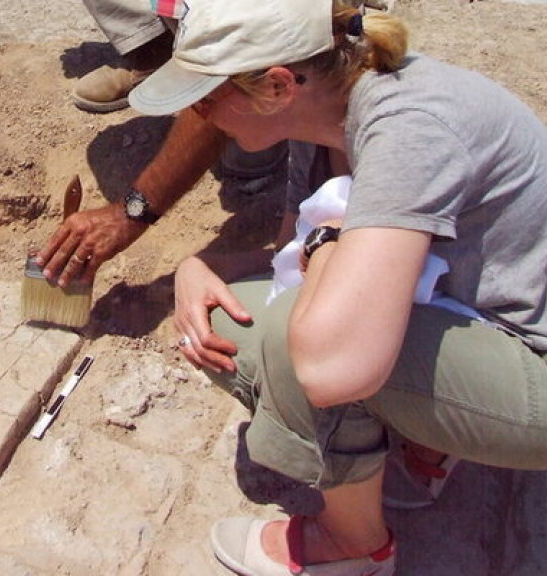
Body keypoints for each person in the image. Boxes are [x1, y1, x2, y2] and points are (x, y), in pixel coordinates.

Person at [127, 0, 547, 574]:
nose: (201, 115)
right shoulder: (327, 115)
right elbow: (290, 253)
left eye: (205, 98)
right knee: (241, 307)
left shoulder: (407, 131)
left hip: (533, 359)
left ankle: (353, 547)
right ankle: (430, 444)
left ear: (276, 87)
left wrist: (327, 241)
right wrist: (202, 266)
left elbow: (331, 366)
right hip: (493, 311)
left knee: (287, 336)